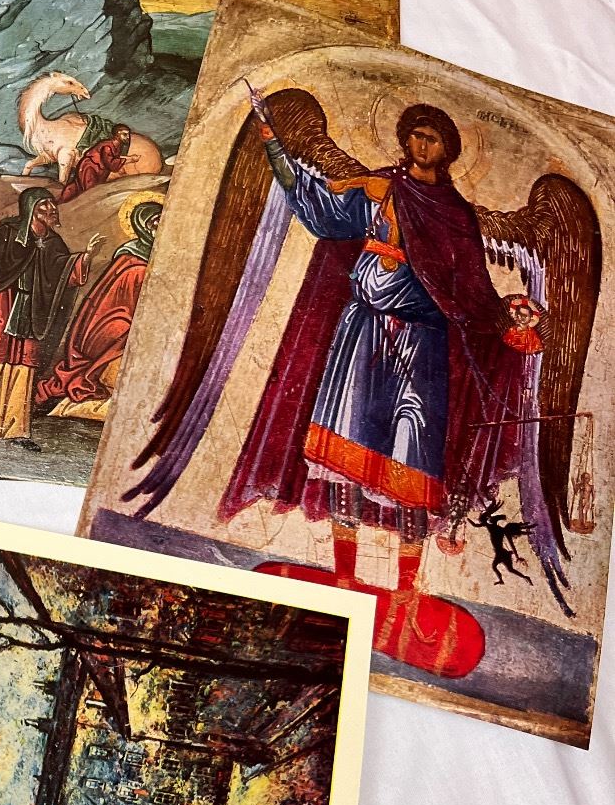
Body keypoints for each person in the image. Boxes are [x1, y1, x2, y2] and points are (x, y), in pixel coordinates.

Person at [222, 97, 527, 595]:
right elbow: (324, 213)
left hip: (421, 344)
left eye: (433, 138)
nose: (422, 145)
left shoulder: (455, 214)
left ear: (447, 150)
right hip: (361, 333)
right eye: (416, 135)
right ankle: (345, 574)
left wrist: (506, 320)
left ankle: (407, 587)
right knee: (346, 451)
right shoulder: (380, 188)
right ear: (405, 139)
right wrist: (276, 149)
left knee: (413, 457)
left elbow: (472, 285)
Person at [0, 190, 97, 443]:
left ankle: (15, 431)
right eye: (44, 204)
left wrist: (86, 257)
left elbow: (64, 276)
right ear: (30, 208)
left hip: (32, 311)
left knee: (23, 368)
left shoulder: (53, 242)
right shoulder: (6, 233)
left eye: (52, 204)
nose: (51, 209)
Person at [37, 198, 162, 420]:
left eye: (162, 221)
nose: (158, 227)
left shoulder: (155, 255)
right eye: (154, 223)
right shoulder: (135, 263)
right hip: (111, 329)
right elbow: (123, 309)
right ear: (143, 227)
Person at [60, 123, 133, 202]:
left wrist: (127, 159)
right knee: (90, 192)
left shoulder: (117, 146)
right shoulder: (107, 146)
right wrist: (129, 159)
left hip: (98, 171)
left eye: (128, 134)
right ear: (117, 135)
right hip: (90, 169)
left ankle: (62, 202)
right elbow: (110, 163)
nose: (128, 137)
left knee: (78, 187)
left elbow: (112, 159)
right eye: (125, 134)